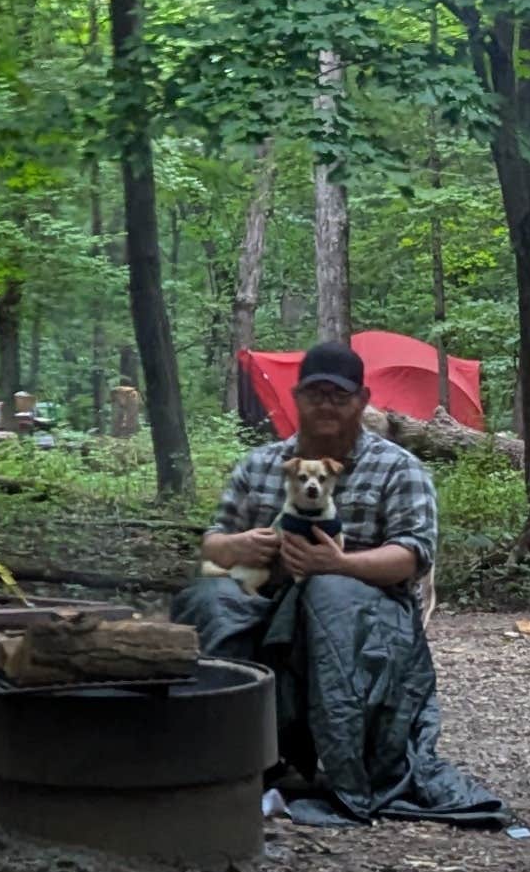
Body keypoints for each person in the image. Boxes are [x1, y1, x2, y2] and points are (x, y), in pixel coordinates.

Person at [172, 338, 505, 825]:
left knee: (329, 594)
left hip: (370, 617)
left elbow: (412, 555)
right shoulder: (260, 465)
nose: (326, 405)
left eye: (339, 395)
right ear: (296, 397)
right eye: (315, 393)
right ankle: (223, 756)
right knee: (210, 598)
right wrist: (238, 546)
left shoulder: (398, 468)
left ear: (362, 400)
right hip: (265, 601)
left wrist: (339, 564)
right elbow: (213, 542)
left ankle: (344, 767)